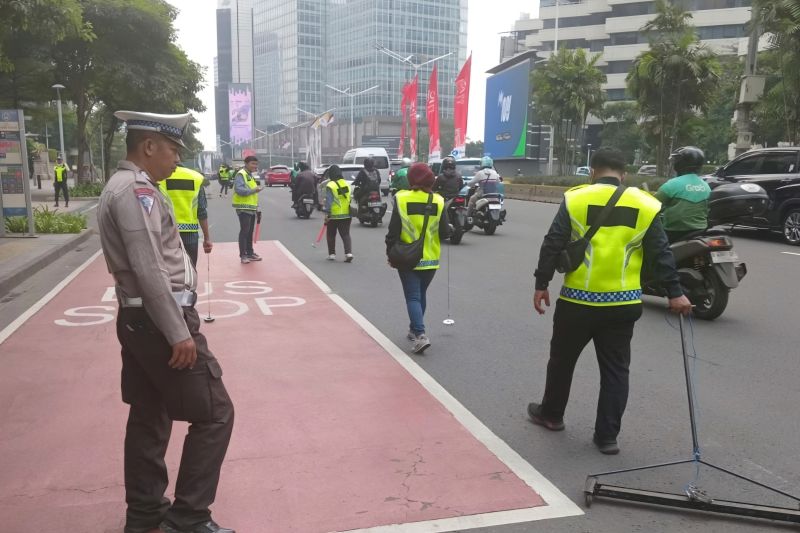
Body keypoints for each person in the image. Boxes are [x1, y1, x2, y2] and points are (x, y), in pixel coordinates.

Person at [97, 111, 235, 533]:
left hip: (140, 318)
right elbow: (150, 268)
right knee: (215, 414)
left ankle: (145, 513)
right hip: (161, 319)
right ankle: (189, 517)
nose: (177, 159)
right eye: (173, 149)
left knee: (149, 414)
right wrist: (178, 330)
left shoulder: (128, 187)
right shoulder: (136, 191)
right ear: (149, 146)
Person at [530, 146, 692, 455]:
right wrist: (675, 292)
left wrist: (542, 283)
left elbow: (553, 242)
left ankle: (551, 415)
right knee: (616, 370)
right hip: (622, 304)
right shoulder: (646, 204)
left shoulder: (576, 198)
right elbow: (661, 253)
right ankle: (607, 437)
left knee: (562, 361)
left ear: (592, 171)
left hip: (577, 301)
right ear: (624, 174)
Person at [385, 163, 451, 354]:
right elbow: (446, 232)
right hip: (430, 259)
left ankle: (421, 334)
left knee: (412, 296)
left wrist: (390, 253)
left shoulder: (401, 198)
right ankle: (414, 329)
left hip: (406, 257)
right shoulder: (438, 200)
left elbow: (393, 231)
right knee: (420, 294)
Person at [655, 146, 712, 243]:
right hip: (701, 230)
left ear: (680, 163)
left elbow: (652, 205)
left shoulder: (672, 184)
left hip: (675, 232)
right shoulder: (706, 186)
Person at [159, 165, 213, 267]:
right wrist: (207, 238)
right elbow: (201, 211)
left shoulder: (158, 177)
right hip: (189, 234)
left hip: (165, 232)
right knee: (190, 268)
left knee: (167, 269)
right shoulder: (195, 178)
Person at [232, 155, 263, 264]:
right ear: (246, 164)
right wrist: (254, 190)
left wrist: (257, 207)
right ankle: (243, 255)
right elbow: (240, 190)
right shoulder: (241, 174)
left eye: (256, 164)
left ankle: (250, 253)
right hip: (243, 207)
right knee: (244, 231)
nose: (255, 166)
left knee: (250, 232)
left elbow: (253, 194)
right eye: (252, 164)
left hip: (251, 207)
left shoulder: (250, 175)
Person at [322, 164, 353, 262]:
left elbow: (329, 201)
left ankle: (332, 254)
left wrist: (327, 213)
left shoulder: (330, 185)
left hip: (334, 215)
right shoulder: (346, 183)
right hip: (347, 214)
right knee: (346, 234)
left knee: (331, 234)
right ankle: (348, 253)